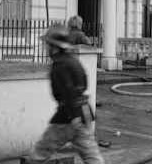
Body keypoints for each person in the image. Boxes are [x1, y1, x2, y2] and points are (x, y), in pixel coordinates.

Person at [27, 24, 103, 163]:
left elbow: (68, 91)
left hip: (67, 116)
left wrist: (73, 116)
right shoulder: (73, 61)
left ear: (55, 47)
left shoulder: (59, 66)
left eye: (48, 44)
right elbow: (83, 84)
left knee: (40, 153)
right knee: (91, 155)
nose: (45, 48)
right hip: (84, 112)